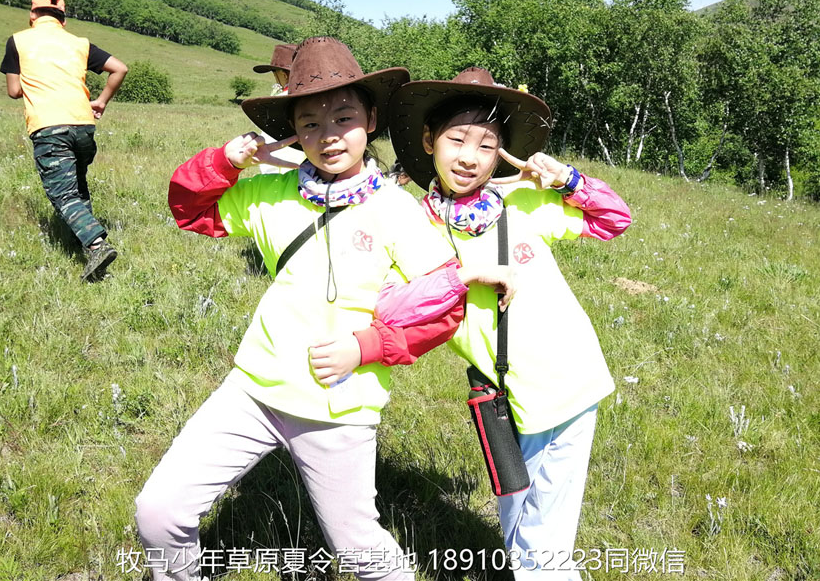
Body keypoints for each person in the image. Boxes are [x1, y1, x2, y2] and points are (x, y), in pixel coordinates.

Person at [135, 39, 514, 581]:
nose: (329, 134)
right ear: (291, 131)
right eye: (309, 122)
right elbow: (190, 211)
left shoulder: (396, 211)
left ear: (371, 120)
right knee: (158, 512)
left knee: (360, 551)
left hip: (340, 408)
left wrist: (362, 348)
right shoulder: (268, 194)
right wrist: (226, 160)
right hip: (254, 389)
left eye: (344, 116)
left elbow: (440, 309)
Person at [315, 67, 632, 579]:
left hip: (567, 385)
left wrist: (568, 180)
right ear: (428, 141)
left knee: (539, 548)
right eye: (457, 139)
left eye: (486, 145)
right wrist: (464, 275)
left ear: (501, 153)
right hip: (501, 400)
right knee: (520, 530)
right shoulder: (412, 225)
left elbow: (614, 221)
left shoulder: (524, 203)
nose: (469, 156)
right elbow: (393, 309)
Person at [0, 0, 127, 281]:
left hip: (49, 125)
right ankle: (80, 245)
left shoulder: (18, 40)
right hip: (83, 124)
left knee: (63, 193)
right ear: (63, 20)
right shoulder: (79, 43)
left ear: (33, 15)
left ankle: (97, 245)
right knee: (79, 187)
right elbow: (120, 69)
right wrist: (101, 101)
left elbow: (14, 91)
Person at [250, 43, 305, 174]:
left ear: (284, 75)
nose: (275, 78)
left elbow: (270, 147)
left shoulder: (276, 105)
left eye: (275, 73)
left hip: (283, 179)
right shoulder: (318, 101)